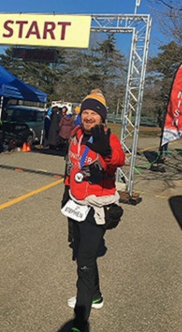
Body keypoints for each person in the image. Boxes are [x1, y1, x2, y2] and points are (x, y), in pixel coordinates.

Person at [61, 89, 125, 332]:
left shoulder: (108, 138)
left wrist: (106, 151)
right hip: (76, 204)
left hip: (96, 209)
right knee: (81, 253)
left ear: (102, 118)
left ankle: (80, 321)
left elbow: (119, 159)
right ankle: (96, 297)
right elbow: (71, 166)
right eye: (85, 112)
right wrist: (66, 194)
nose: (89, 117)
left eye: (94, 113)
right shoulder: (76, 134)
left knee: (84, 263)